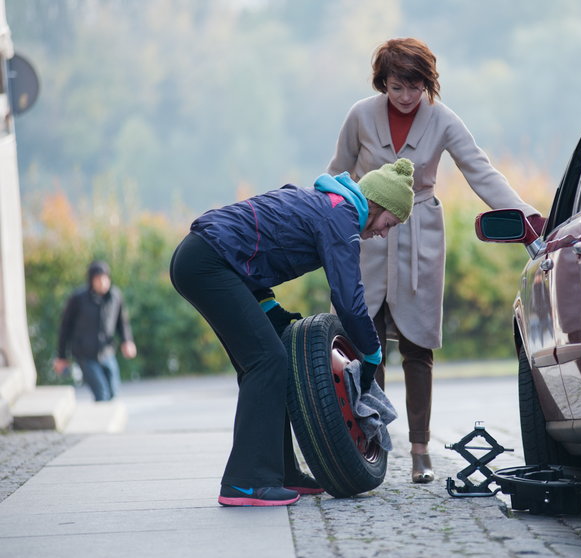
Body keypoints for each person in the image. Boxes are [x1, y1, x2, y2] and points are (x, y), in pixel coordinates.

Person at [327, 37, 545, 484]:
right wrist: (330, 222)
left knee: (417, 343)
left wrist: (527, 216)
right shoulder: (360, 116)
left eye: (415, 87)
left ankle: (420, 449)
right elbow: (335, 173)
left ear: (429, 83)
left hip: (420, 232)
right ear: (382, 84)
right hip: (368, 231)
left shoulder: (443, 119)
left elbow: (480, 170)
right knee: (364, 341)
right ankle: (374, 441)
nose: (406, 97)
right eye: (396, 87)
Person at [170, 159, 415, 507]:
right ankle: (245, 481)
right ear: (376, 205)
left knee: (274, 357)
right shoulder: (341, 217)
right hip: (208, 263)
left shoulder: (328, 205)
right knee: (267, 361)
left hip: (207, 259)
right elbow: (348, 298)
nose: (383, 233)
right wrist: (372, 352)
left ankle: (280, 470)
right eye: (389, 223)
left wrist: (269, 307)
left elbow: (257, 248)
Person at [54, 260, 137, 402]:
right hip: (85, 355)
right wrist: (62, 356)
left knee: (113, 391)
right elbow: (65, 327)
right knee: (101, 393)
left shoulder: (115, 297)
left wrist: (127, 341)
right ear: (91, 281)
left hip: (107, 352)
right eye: (98, 279)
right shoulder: (78, 299)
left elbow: (121, 322)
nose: (102, 282)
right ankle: (101, 423)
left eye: (105, 278)